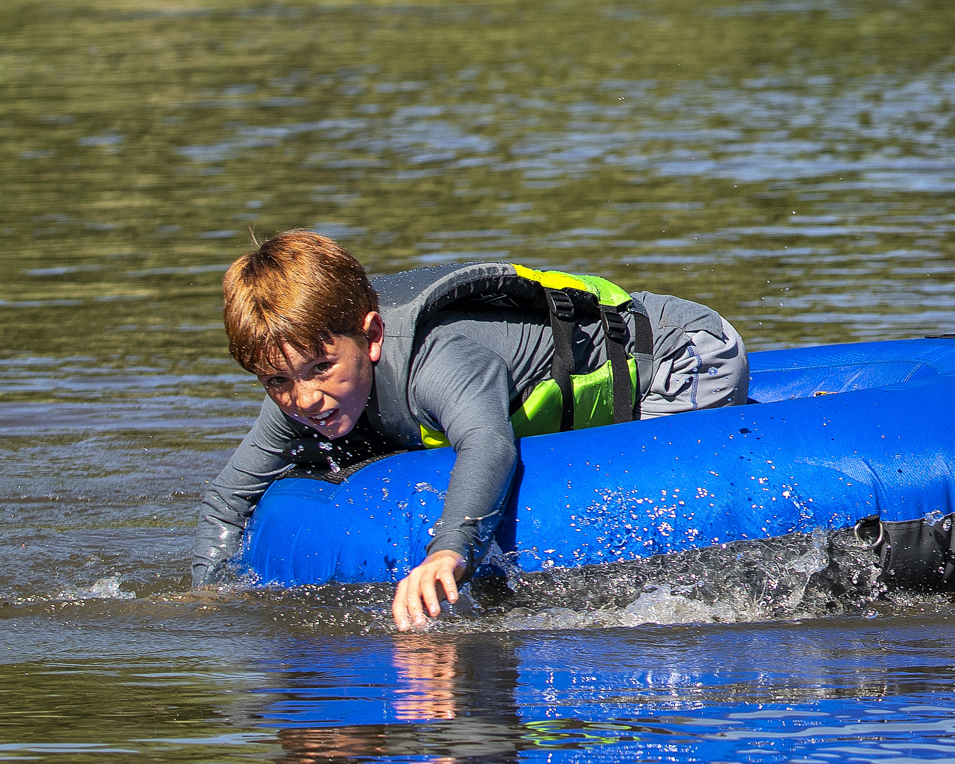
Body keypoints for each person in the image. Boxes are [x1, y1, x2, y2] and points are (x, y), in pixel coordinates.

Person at [192, 231, 751, 626]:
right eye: (277, 381)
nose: (304, 398)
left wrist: (447, 552)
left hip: (682, 357)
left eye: (321, 369)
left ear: (372, 336)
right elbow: (227, 497)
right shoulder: (299, 392)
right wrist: (211, 591)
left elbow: (487, 443)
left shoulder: (436, 361)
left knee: (658, 517)